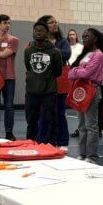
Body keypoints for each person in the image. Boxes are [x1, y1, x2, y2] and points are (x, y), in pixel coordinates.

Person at [68, 28, 103, 163]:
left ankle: (92, 156)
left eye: (87, 36)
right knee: (82, 126)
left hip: (92, 91)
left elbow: (86, 73)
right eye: (83, 36)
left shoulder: (98, 55)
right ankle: (82, 153)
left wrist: (77, 70)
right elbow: (70, 73)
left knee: (91, 125)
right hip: (81, 91)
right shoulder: (86, 53)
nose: (84, 38)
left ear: (95, 38)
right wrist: (79, 70)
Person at [23, 20, 62, 144]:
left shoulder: (55, 51)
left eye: (41, 30)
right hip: (31, 91)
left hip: (49, 92)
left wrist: (45, 79)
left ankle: (51, 143)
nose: (38, 32)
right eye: (36, 30)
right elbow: (29, 67)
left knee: (51, 120)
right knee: (31, 120)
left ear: (47, 33)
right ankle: (31, 143)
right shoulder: (28, 50)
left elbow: (58, 72)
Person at [36, 15, 71, 147]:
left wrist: (49, 53)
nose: (55, 24)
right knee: (43, 114)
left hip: (60, 82)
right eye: (52, 22)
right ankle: (43, 141)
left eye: (56, 22)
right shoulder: (38, 41)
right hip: (43, 83)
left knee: (60, 113)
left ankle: (62, 142)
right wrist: (54, 55)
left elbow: (66, 54)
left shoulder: (63, 41)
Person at [67, 29, 84, 138]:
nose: (72, 36)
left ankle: (80, 128)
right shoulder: (65, 47)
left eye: (73, 34)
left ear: (76, 36)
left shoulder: (81, 47)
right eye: (70, 34)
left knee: (78, 102)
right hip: (67, 76)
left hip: (77, 76)